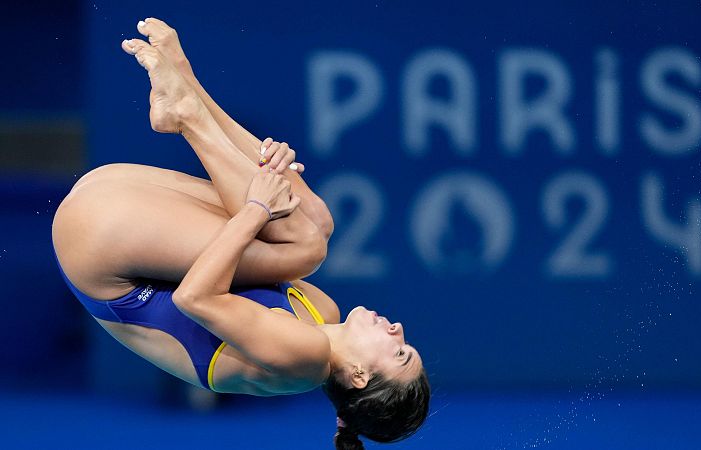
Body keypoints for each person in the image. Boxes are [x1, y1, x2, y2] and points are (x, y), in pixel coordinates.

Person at [51, 18, 429, 449]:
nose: (398, 329)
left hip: (100, 249)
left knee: (305, 243)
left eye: (400, 353)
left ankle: (188, 112)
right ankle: (186, 88)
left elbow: (194, 297)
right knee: (313, 225)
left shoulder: (303, 362)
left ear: (359, 376)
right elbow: (269, 239)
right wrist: (278, 175)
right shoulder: (322, 311)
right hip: (112, 206)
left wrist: (257, 208)